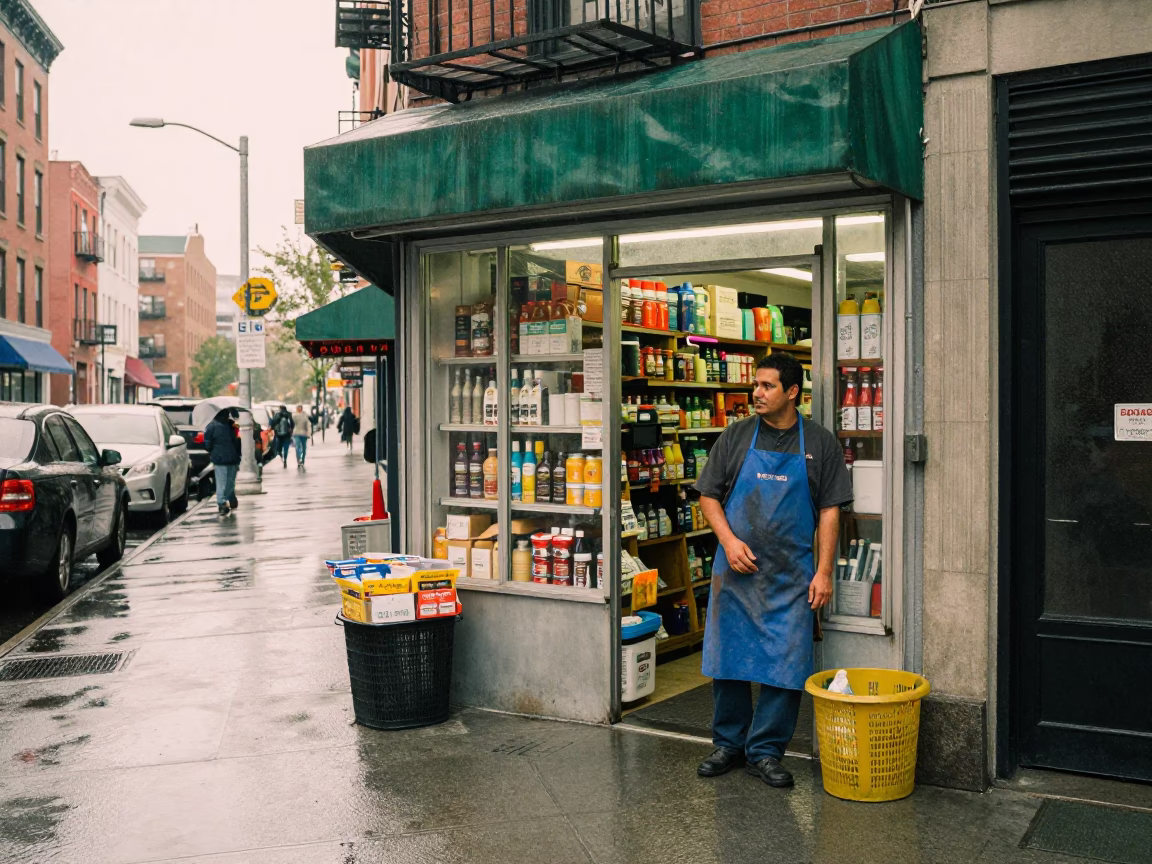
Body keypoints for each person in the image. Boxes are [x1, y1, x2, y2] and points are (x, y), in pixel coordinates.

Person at [693, 352, 852, 789]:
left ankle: (765, 751)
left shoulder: (820, 443)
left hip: (790, 576)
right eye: (755, 385)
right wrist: (728, 541)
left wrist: (823, 572)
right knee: (729, 659)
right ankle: (728, 744)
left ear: (793, 392)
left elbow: (830, 510)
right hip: (736, 571)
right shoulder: (736, 436)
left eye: (767, 386)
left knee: (786, 663)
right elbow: (708, 495)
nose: (756, 393)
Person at [203, 408, 242, 516]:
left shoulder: (211, 426)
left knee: (221, 482)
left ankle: (222, 504)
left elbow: (207, 444)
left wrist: (214, 450)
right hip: (233, 458)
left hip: (219, 458)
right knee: (230, 482)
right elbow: (238, 442)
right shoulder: (233, 426)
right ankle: (229, 498)